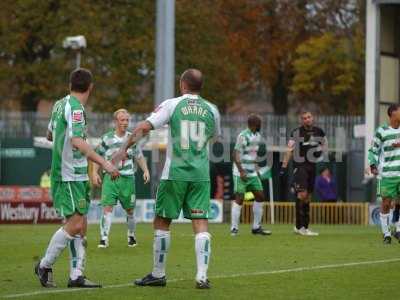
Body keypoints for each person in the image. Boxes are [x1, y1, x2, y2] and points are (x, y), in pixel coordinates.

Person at [112, 68, 221, 289]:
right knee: (200, 223)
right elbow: (213, 137)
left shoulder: (173, 104)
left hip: (175, 173)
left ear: (182, 84)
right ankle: (201, 276)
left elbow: (144, 126)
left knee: (162, 221)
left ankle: (158, 274)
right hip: (200, 174)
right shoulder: (212, 109)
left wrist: (124, 148)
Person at [35, 68, 120, 288]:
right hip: (68, 174)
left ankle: (76, 275)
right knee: (74, 225)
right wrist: (104, 163)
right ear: (90, 87)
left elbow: (50, 135)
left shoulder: (59, 105)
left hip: (76, 173)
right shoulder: (75, 109)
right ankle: (44, 265)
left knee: (81, 225)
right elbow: (77, 142)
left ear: (70, 84)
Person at [92, 108, 150, 248]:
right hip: (110, 179)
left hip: (127, 179)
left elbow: (139, 156)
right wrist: (94, 173)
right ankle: (104, 238)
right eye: (122, 120)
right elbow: (97, 156)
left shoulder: (132, 138)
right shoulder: (107, 138)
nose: (125, 123)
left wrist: (146, 170)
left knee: (130, 210)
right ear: (115, 122)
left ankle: (131, 235)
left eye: (127, 120)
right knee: (107, 208)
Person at [281, 111, 327, 236]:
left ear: (313, 118)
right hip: (300, 166)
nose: (307, 119)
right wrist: (284, 166)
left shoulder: (319, 131)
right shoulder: (296, 133)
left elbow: (324, 144)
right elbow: (289, 149)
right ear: (301, 120)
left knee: (308, 197)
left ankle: (302, 227)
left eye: (309, 117)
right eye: (304, 118)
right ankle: (301, 227)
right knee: (302, 194)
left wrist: (321, 152)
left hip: (312, 167)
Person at [230, 114, 271, 236]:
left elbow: (252, 155)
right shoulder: (243, 136)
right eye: (259, 124)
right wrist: (241, 170)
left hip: (252, 172)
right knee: (240, 198)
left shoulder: (257, 136)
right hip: (240, 172)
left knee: (260, 196)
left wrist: (257, 168)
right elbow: (235, 154)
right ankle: (234, 229)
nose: (261, 126)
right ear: (254, 125)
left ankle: (256, 227)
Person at [367, 104, 400, 244]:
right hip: (387, 174)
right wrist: (373, 166)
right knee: (386, 203)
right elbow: (373, 150)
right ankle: (386, 233)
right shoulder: (382, 131)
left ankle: (398, 229)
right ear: (392, 113)